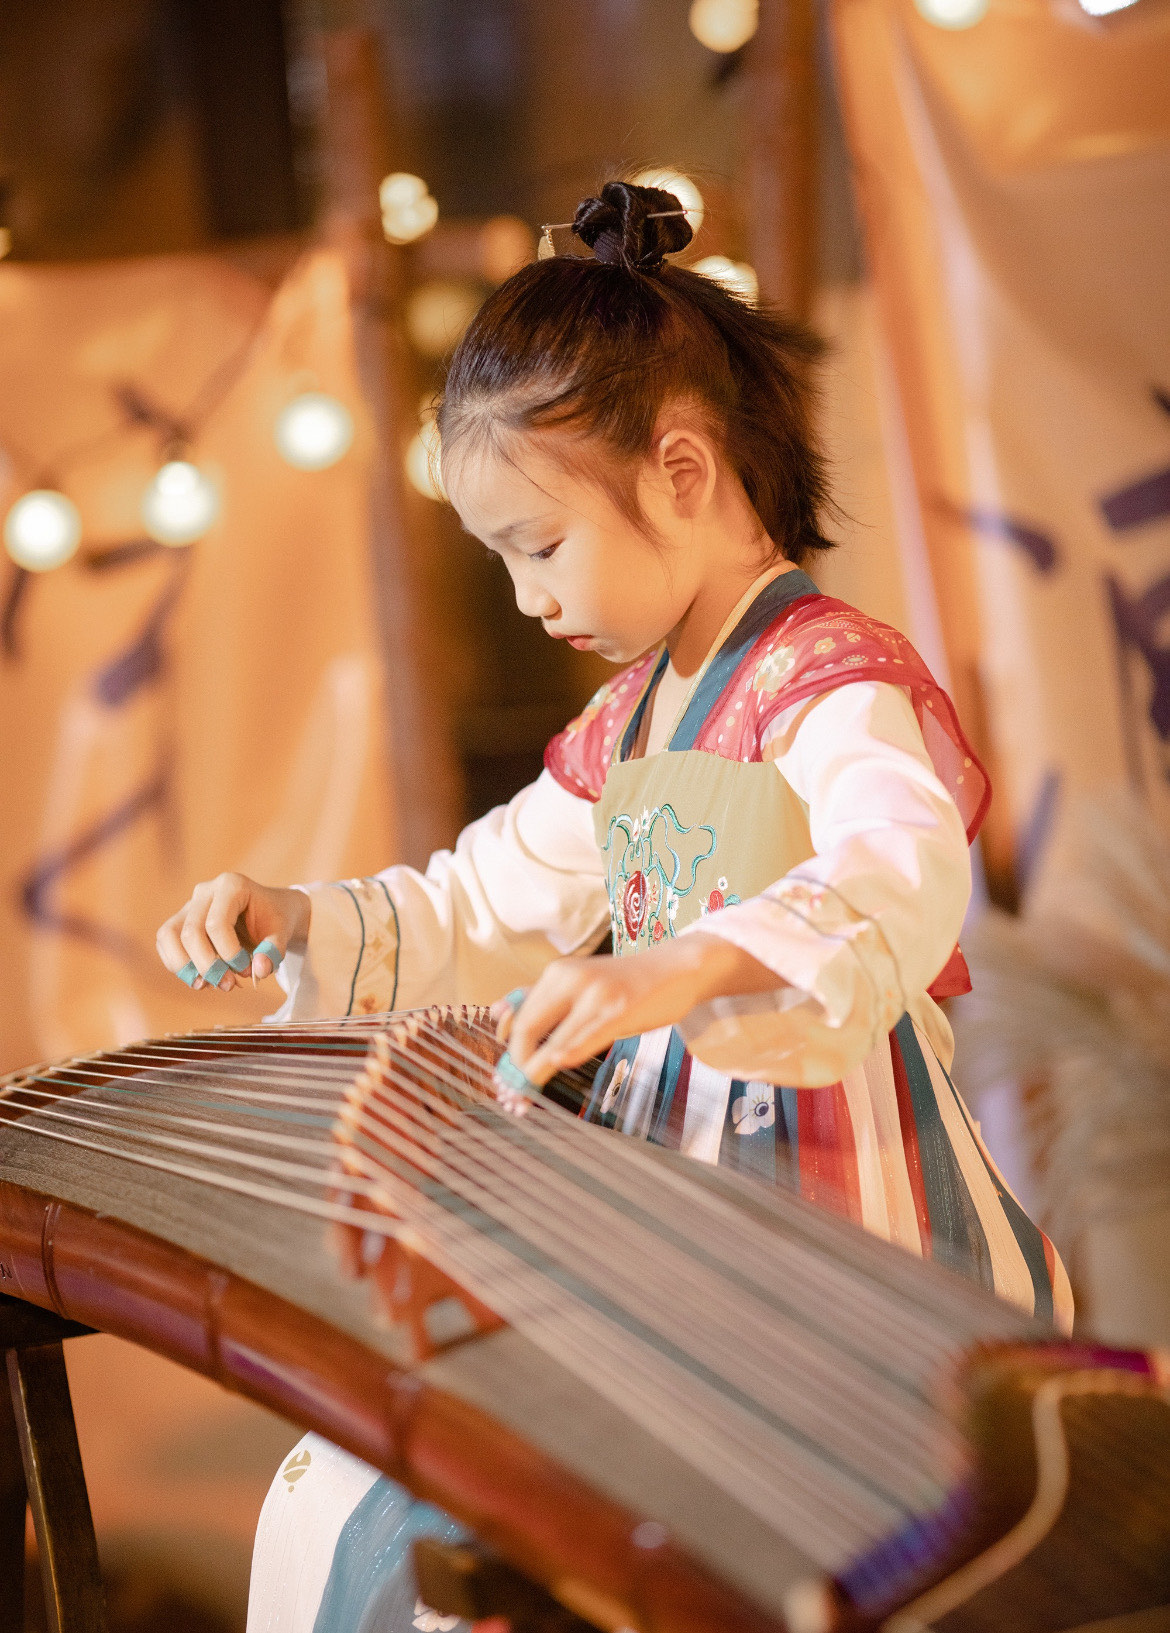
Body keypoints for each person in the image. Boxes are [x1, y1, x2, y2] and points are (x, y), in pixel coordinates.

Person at [157, 181, 1072, 1633]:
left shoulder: (825, 678)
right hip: (673, 1194)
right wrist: (301, 915)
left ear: (685, 471)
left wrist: (689, 964)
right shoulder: (632, 722)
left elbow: (898, 869)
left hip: (829, 1204)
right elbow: (485, 895)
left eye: (538, 544)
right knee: (389, 1482)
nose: (525, 599)